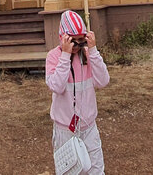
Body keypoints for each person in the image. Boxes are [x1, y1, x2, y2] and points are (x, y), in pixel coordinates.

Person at [45, 10, 110, 174]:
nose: (77, 47)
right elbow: (57, 86)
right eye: (73, 42)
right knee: (69, 170)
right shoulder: (54, 57)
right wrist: (65, 55)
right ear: (63, 38)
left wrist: (93, 51)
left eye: (82, 42)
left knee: (96, 169)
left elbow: (103, 81)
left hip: (88, 125)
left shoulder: (88, 55)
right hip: (65, 128)